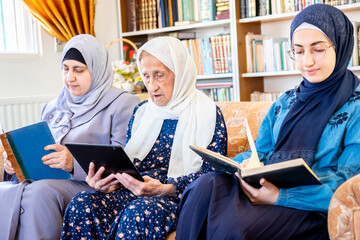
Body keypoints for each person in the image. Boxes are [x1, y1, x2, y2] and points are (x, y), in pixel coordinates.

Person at [175, 4, 360, 240]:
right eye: (299, 51)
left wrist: (279, 196)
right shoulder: (285, 102)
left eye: (318, 49)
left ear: (341, 46)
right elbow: (259, 153)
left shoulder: (356, 106)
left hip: (309, 208)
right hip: (266, 189)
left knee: (234, 227)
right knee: (205, 186)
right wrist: (236, 166)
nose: (308, 61)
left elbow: (350, 185)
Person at [60, 36, 228, 239]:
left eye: (159, 75)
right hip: (133, 192)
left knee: (139, 213)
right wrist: (109, 182)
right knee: (82, 204)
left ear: (181, 73)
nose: (152, 85)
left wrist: (164, 189)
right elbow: (130, 166)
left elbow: (215, 177)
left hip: (176, 197)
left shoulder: (208, 114)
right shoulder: (141, 112)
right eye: (146, 76)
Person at [0, 34, 139, 239]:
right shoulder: (52, 106)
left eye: (78, 70)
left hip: (91, 185)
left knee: (39, 192)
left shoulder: (122, 103)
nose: (70, 77)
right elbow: (42, 150)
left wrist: (73, 163)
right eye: (65, 69)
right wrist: (14, 164)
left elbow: (123, 162)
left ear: (97, 68)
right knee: (8, 189)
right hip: (46, 179)